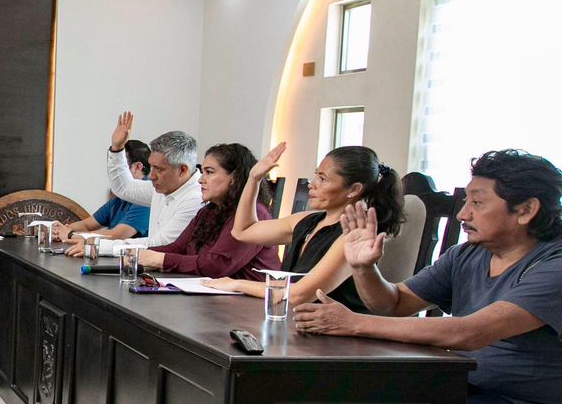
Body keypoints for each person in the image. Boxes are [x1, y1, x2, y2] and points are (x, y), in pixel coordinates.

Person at [295, 150, 562, 404]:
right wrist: (363, 268)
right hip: (462, 386)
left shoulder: (555, 264)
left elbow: (469, 333)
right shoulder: (466, 255)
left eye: (477, 203)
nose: (462, 214)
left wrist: (353, 323)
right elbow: (394, 304)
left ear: (526, 210)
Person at [205, 143, 403, 308]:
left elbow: (299, 295)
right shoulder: (308, 220)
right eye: (316, 175)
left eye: (323, 179)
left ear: (353, 189)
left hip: (334, 333)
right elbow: (242, 231)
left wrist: (236, 284)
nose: (312, 184)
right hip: (297, 321)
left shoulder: (353, 235)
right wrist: (254, 179)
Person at [136, 143, 280, 279]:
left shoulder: (254, 214)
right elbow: (178, 248)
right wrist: (135, 255)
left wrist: (161, 260)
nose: (201, 180)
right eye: (202, 172)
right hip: (210, 291)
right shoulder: (208, 211)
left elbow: (217, 265)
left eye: (209, 172)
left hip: (248, 296)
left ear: (234, 178)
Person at [67, 114, 202, 258]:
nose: (151, 176)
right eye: (151, 167)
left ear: (182, 170)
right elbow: (124, 188)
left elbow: (160, 244)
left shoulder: (195, 198)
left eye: (159, 169)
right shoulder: (165, 187)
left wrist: (99, 247)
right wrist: (117, 148)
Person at [53, 139, 152, 243]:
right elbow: (86, 225)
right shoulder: (122, 196)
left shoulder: (145, 198)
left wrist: (70, 234)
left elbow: (116, 235)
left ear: (138, 167)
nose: (115, 171)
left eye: (121, 165)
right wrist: (58, 231)